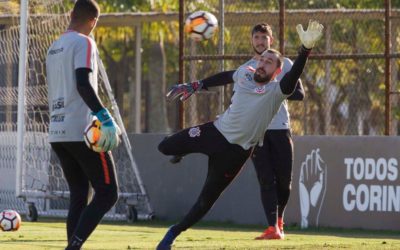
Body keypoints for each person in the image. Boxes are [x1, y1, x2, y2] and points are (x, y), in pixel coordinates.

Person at [156, 20, 324, 250]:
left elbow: (293, 75)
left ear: (277, 72)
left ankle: (172, 234)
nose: (262, 63)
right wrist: (197, 85)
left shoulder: (277, 91)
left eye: (269, 62)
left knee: (205, 202)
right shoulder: (245, 72)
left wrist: (305, 51)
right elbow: (226, 76)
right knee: (165, 147)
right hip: (215, 133)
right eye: (261, 59)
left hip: (236, 152)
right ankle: (182, 151)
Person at [46, 0, 121, 249]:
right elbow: (82, 83)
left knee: (79, 194)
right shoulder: (84, 42)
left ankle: (72, 245)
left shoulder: (54, 46)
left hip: (57, 133)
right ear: (93, 21)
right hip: (82, 131)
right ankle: (74, 245)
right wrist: (104, 115)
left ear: (71, 15)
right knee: (108, 192)